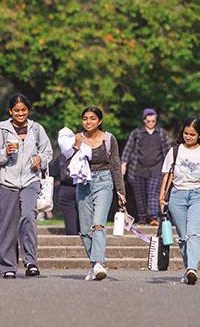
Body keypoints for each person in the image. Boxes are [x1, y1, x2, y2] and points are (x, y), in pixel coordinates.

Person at [0, 94, 52, 278]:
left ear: (28, 110)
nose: (20, 113)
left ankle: (30, 261)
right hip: (7, 182)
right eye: (16, 110)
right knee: (7, 224)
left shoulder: (37, 129)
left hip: (31, 180)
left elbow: (48, 152)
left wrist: (41, 159)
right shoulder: (2, 129)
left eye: (23, 110)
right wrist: (5, 152)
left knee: (28, 217)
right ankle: (8, 267)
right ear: (10, 111)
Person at [160, 118, 200, 285]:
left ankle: (192, 269)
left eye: (192, 134)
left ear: (199, 135)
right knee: (183, 237)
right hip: (177, 195)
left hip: (198, 195)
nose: (188, 137)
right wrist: (162, 196)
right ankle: (188, 268)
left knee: (193, 233)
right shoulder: (175, 151)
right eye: (186, 133)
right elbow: (167, 174)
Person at [71, 107, 126, 281]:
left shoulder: (109, 139)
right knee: (85, 229)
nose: (88, 122)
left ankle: (99, 263)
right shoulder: (77, 138)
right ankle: (93, 264)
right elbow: (68, 162)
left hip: (104, 181)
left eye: (92, 118)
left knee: (98, 224)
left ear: (100, 121)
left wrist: (121, 191)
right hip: (83, 183)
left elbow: (115, 165)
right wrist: (74, 148)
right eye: (85, 118)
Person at [120, 108, 170, 225]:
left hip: (156, 168)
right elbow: (128, 149)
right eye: (149, 121)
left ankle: (153, 217)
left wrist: (169, 167)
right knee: (140, 195)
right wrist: (124, 164)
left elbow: (167, 151)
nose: (151, 123)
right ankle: (142, 217)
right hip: (138, 169)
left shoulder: (161, 133)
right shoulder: (137, 133)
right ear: (144, 121)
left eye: (153, 121)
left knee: (153, 193)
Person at [50, 130, 80, 235]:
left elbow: (52, 171)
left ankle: (73, 247)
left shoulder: (62, 155)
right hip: (83, 188)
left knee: (70, 224)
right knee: (84, 223)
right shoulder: (85, 153)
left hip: (65, 189)